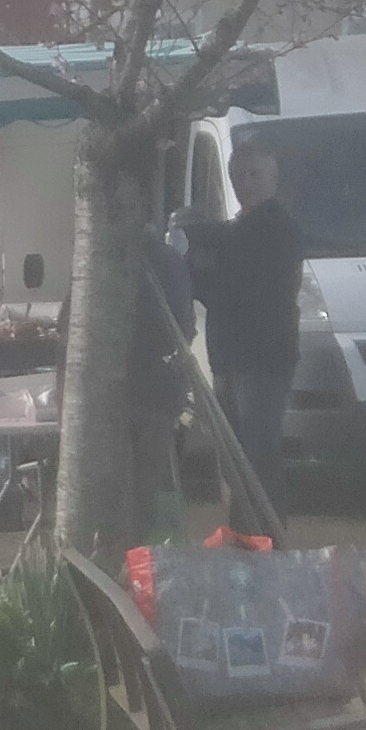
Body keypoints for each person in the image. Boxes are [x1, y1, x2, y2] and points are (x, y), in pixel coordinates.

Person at [183, 139, 306, 522]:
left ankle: (268, 536)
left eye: (254, 174)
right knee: (234, 454)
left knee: (257, 452)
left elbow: (227, 288)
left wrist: (201, 265)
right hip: (232, 358)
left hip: (263, 361)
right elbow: (215, 279)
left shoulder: (278, 228)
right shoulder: (240, 228)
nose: (246, 183)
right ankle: (247, 531)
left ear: (273, 177)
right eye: (239, 176)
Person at [128, 222, 198, 535]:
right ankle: (150, 555)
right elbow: (185, 328)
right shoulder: (171, 261)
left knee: (120, 486)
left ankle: (122, 558)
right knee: (150, 486)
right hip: (159, 386)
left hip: (117, 387)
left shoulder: (106, 260)